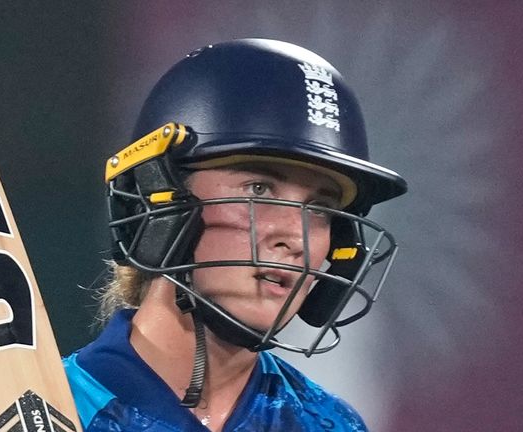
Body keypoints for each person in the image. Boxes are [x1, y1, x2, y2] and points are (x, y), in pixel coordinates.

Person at [63, 38, 407, 431]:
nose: (296, 237)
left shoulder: (331, 425)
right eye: (259, 189)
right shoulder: (51, 406)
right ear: (153, 200)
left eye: (321, 209)